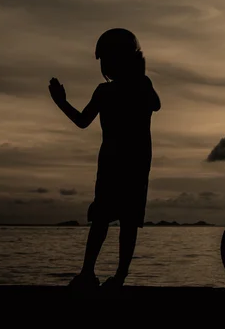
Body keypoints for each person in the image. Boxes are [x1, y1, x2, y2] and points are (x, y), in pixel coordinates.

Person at [48, 28, 161, 290]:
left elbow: (82, 121)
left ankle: (107, 275)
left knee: (120, 222)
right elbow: (83, 121)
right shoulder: (120, 89)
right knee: (109, 221)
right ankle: (93, 273)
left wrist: (61, 103)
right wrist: (61, 102)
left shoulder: (132, 87)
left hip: (126, 164)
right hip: (119, 163)